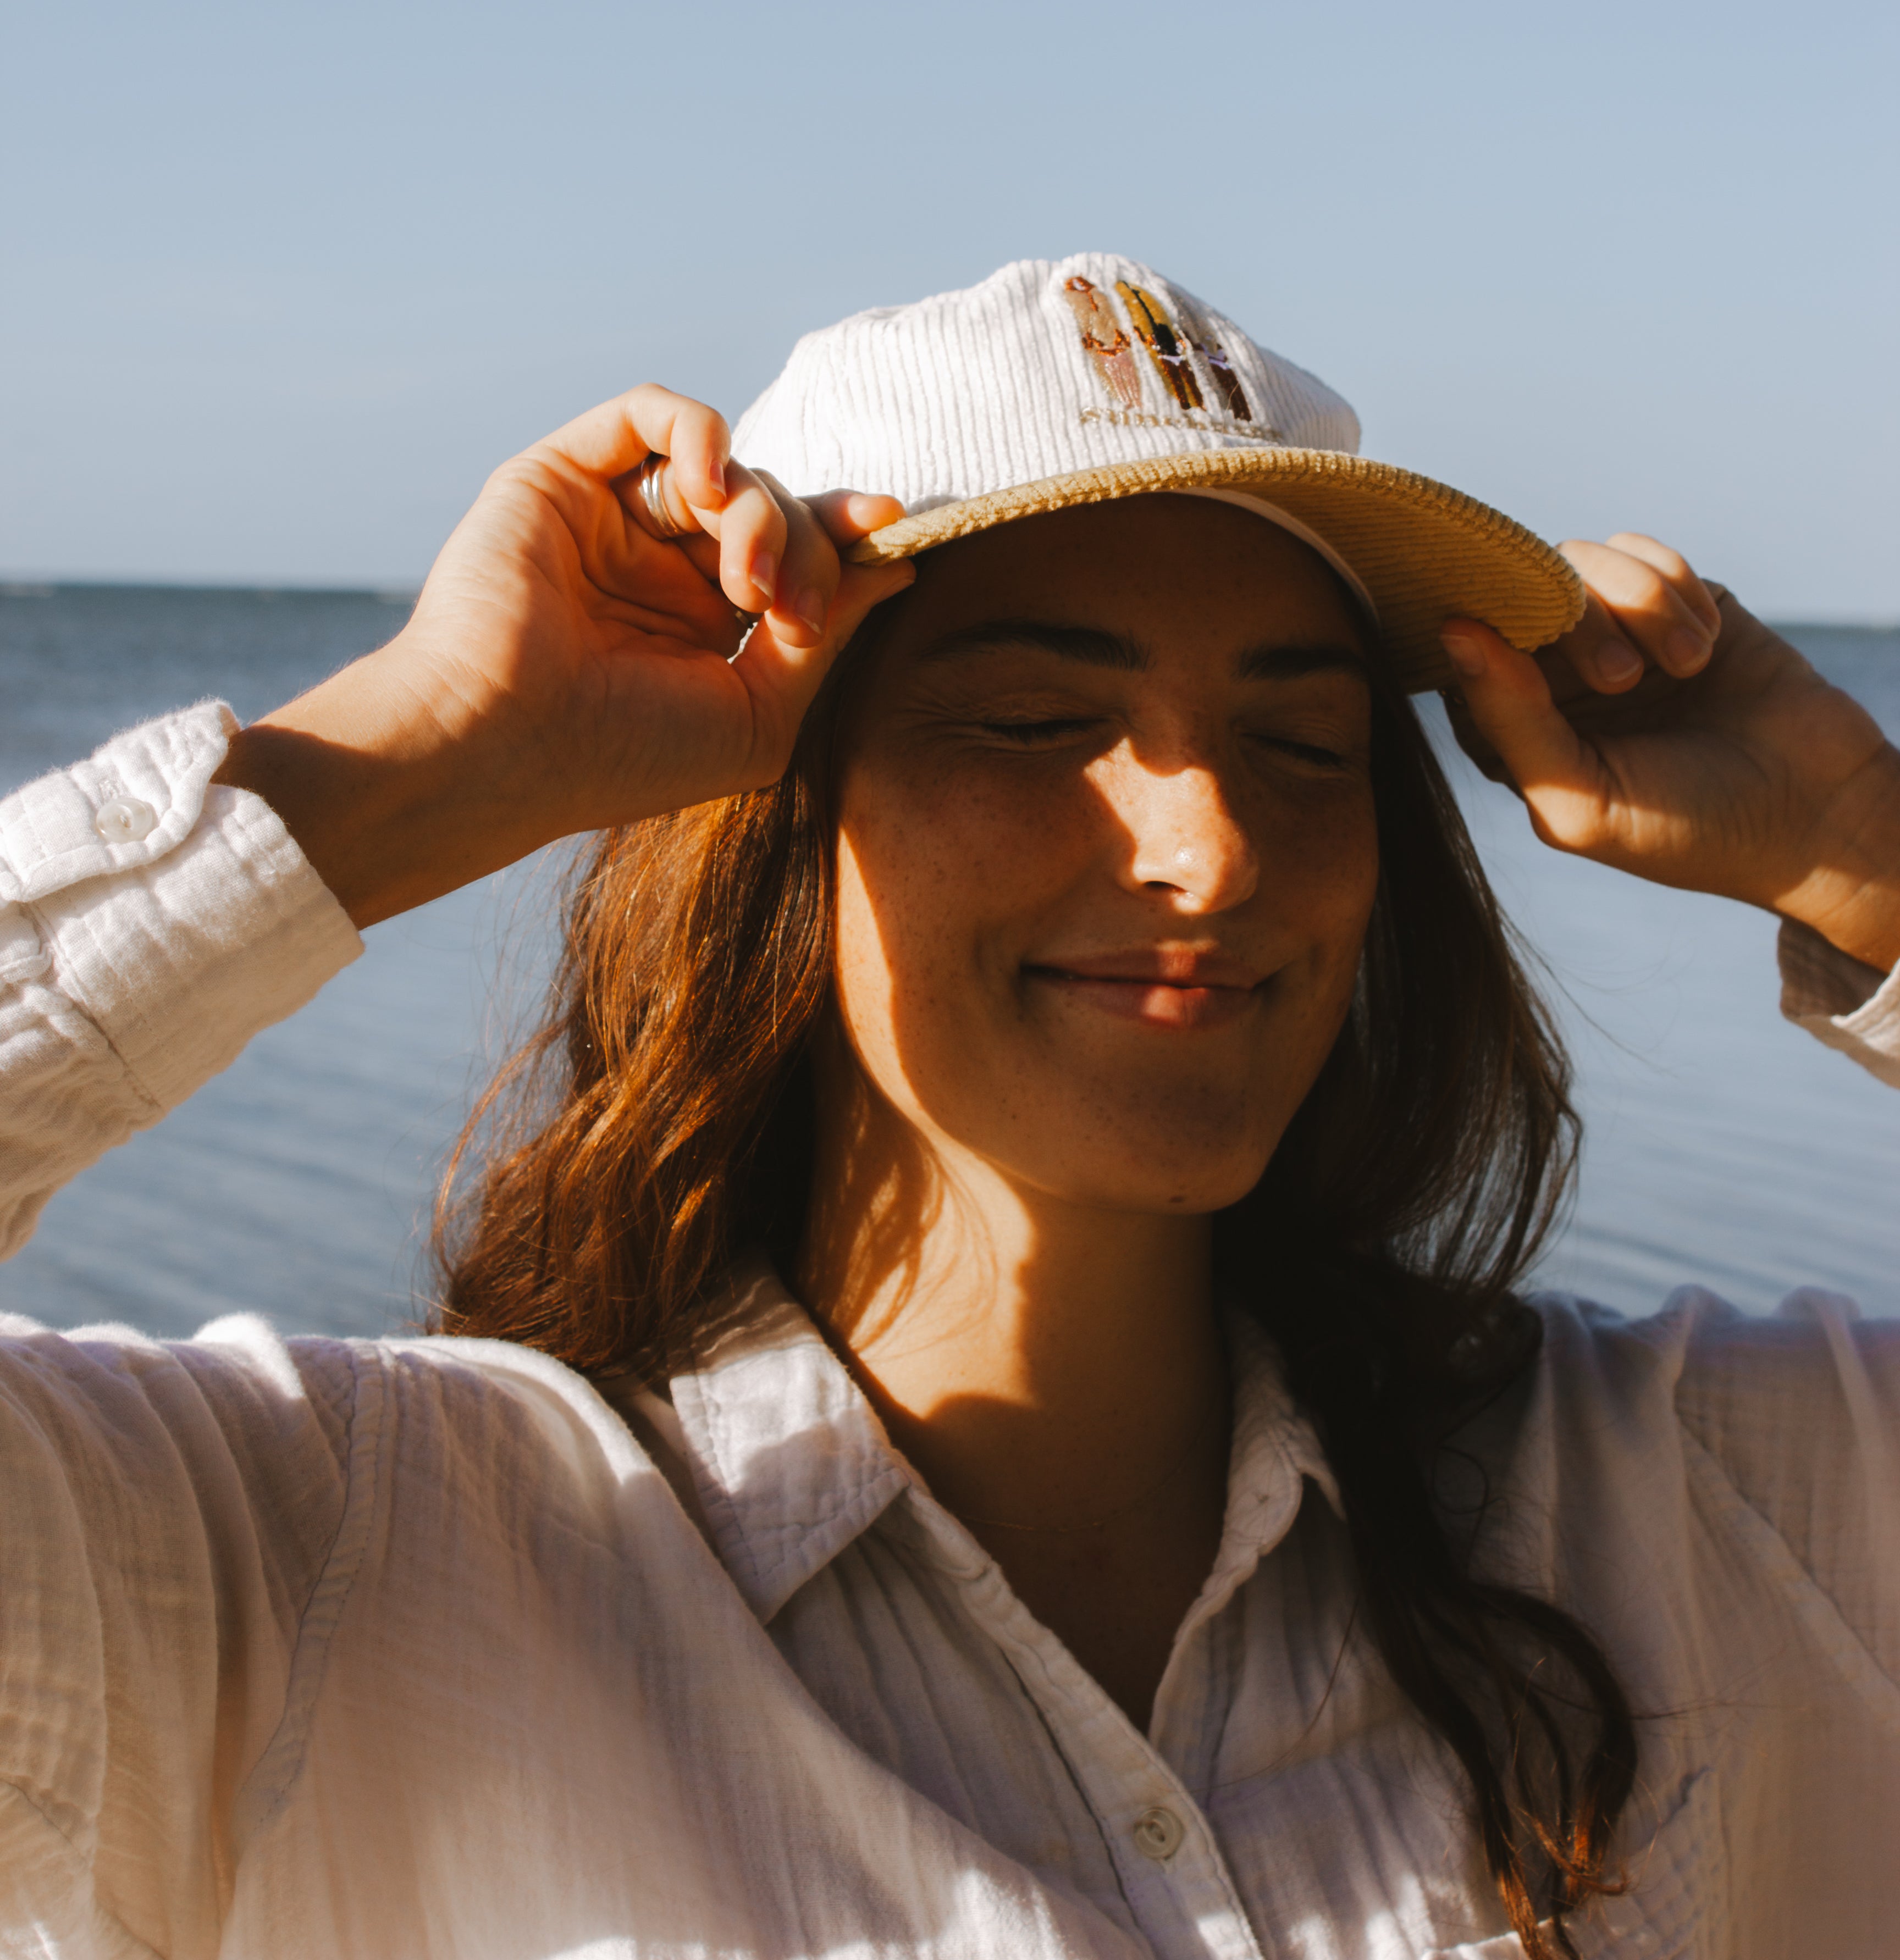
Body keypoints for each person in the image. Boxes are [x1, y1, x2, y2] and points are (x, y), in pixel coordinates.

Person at [1, 251, 1895, 1960]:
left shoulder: (1711, 1502)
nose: (1211, 845)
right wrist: (414, 763)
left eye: (1304, 740)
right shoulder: (308, 1575)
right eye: (1028, 721)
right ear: (772, 811)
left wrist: (1860, 855)